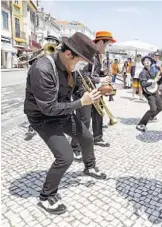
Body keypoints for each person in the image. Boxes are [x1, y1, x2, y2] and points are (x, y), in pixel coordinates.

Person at [23, 32, 107, 215]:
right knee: (65, 157)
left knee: (87, 137)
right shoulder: (43, 69)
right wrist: (80, 103)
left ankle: (89, 167)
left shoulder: (69, 67)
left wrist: (96, 93)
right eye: (79, 61)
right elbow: (49, 109)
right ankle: (46, 197)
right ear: (69, 54)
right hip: (42, 117)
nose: (79, 66)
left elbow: (76, 90)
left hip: (62, 111)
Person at [75, 31, 116, 149]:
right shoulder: (89, 54)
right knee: (85, 119)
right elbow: (81, 74)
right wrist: (100, 79)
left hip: (93, 88)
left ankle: (97, 138)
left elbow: (95, 72)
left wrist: (104, 75)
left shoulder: (98, 55)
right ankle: (77, 146)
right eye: (107, 44)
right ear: (101, 42)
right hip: (84, 90)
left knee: (98, 113)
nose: (107, 47)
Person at [136, 56, 162, 132]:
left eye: (149, 60)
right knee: (153, 108)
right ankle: (141, 124)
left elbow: (158, 82)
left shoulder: (153, 71)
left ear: (151, 62)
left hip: (155, 91)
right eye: (145, 60)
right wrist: (152, 81)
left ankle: (151, 116)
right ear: (143, 63)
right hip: (148, 93)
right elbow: (143, 84)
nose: (147, 61)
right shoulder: (143, 73)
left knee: (160, 108)